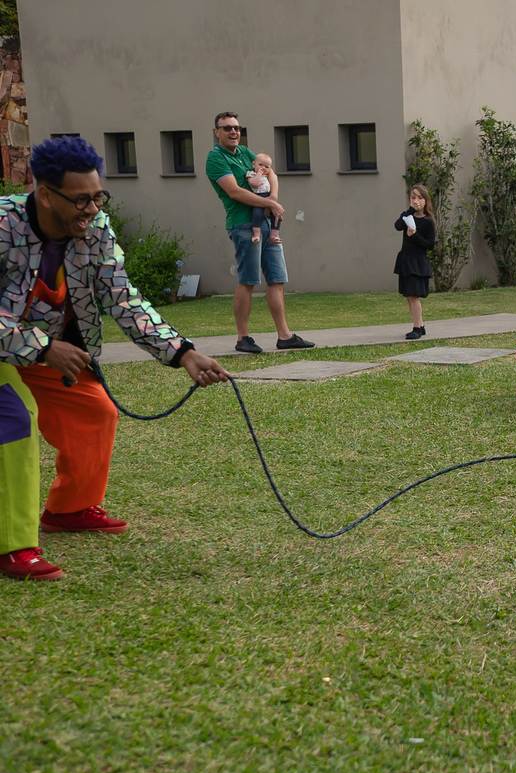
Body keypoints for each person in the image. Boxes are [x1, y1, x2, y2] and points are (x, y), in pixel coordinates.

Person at [1, 136, 230, 581]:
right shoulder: (4, 225)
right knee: (14, 417)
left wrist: (182, 352)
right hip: (11, 351)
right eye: (81, 199)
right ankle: (12, 546)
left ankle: (68, 509)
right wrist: (44, 347)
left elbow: (123, 300)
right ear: (45, 195)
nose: (91, 209)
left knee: (95, 410)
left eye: (97, 196)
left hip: (53, 353)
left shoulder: (96, 229)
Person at [205, 112, 314, 354]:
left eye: (236, 127)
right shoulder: (215, 159)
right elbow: (234, 192)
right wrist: (270, 205)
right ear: (217, 132)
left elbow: (270, 172)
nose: (233, 132)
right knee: (248, 281)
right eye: (227, 128)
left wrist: (272, 199)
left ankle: (284, 336)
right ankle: (243, 337)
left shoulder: (245, 153)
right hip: (244, 226)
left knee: (277, 278)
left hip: (267, 223)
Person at [394, 185, 436, 340]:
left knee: (414, 296)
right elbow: (397, 226)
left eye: (420, 198)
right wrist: (410, 212)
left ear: (426, 201)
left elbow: (430, 245)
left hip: (418, 263)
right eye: (413, 197)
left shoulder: (428, 222)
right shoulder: (407, 217)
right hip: (406, 259)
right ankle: (421, 324)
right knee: (408, 295)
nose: (416, 201)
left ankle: (416, 328)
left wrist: (415, 236)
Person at [245, 154, 283, 245]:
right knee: (257, 214)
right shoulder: (251, 174)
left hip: (268, 195)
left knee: (277, 216)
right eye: (260, 165)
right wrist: (258, 173)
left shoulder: (267, 175)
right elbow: (255, 184)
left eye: (266, 167)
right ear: (254, 164)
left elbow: (273, 178)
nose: (263, 168)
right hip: (258, 197)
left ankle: (273, 236)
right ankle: (257, 234)